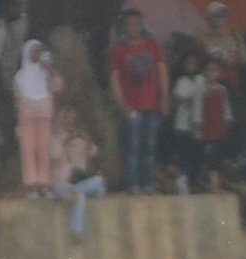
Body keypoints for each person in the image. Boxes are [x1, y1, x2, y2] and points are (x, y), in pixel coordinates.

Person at [109, 7, 169, 194]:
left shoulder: (153, 46)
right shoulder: (119, 51)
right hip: (132, 106)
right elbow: (115, 80)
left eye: (136, 23)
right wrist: (122, 106)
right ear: (124, 27)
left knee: (149, 146)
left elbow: (162, 72)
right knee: (133, 147)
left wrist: (165, 97)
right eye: (129, 24)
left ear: (142, 24)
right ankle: (133, 185)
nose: (133, 27)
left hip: (152, 104)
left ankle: (147, 184)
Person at [50, 106, 106, 243]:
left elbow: (94, 152)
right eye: (67, 119)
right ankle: (76, 232)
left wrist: (86, 141)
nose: (70, 122)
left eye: (72, 119)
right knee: (79, 197)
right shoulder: (55, 139)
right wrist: (65, 142)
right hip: (60, 182)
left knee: (99, 182)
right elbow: (53, 157)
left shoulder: (80, 138)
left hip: (77, 182)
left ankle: (69, 195)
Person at [14, 39, 62, 199]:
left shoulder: (46, 74)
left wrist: (49, 66)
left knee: (43, 149)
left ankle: (44, 184)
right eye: (34, 50)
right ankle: (31, 185)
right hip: (27, 117)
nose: (37, 54)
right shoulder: (20, 76)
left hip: (44, 115)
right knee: (28, 150)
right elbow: (17, 97)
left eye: (39, 50)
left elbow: (58, 86)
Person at [0, 0, 28, 166]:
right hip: (9, 84)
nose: (12, 8)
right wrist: (2, 88)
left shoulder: (29, 23)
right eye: (8, 6)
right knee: (8, 127)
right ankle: (8, 165)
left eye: (15, 4)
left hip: (31, 86)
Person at [192, 58, 233, 193]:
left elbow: (226, 108)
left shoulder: (222, 89)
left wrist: (228, 122)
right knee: (209, 156)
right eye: (209, 71)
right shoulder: (201, 89)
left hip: (219, 127)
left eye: (215, 70)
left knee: (219, 156)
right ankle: (211, 185)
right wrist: (197, 128)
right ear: (204, 72)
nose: (212, 74)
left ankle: (217, 185)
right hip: (207, 127)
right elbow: (197, 109)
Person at [172, 52, 204, 194]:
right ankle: (183, 182)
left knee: (198, 154)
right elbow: (177, 99)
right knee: (184, 155)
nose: (191, 66)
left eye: (194, 63)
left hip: (198, 124)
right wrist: (188, 100)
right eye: (188, 63)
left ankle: (194, 180)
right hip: (183, 125)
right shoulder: (181, 81)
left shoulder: (202, 80)